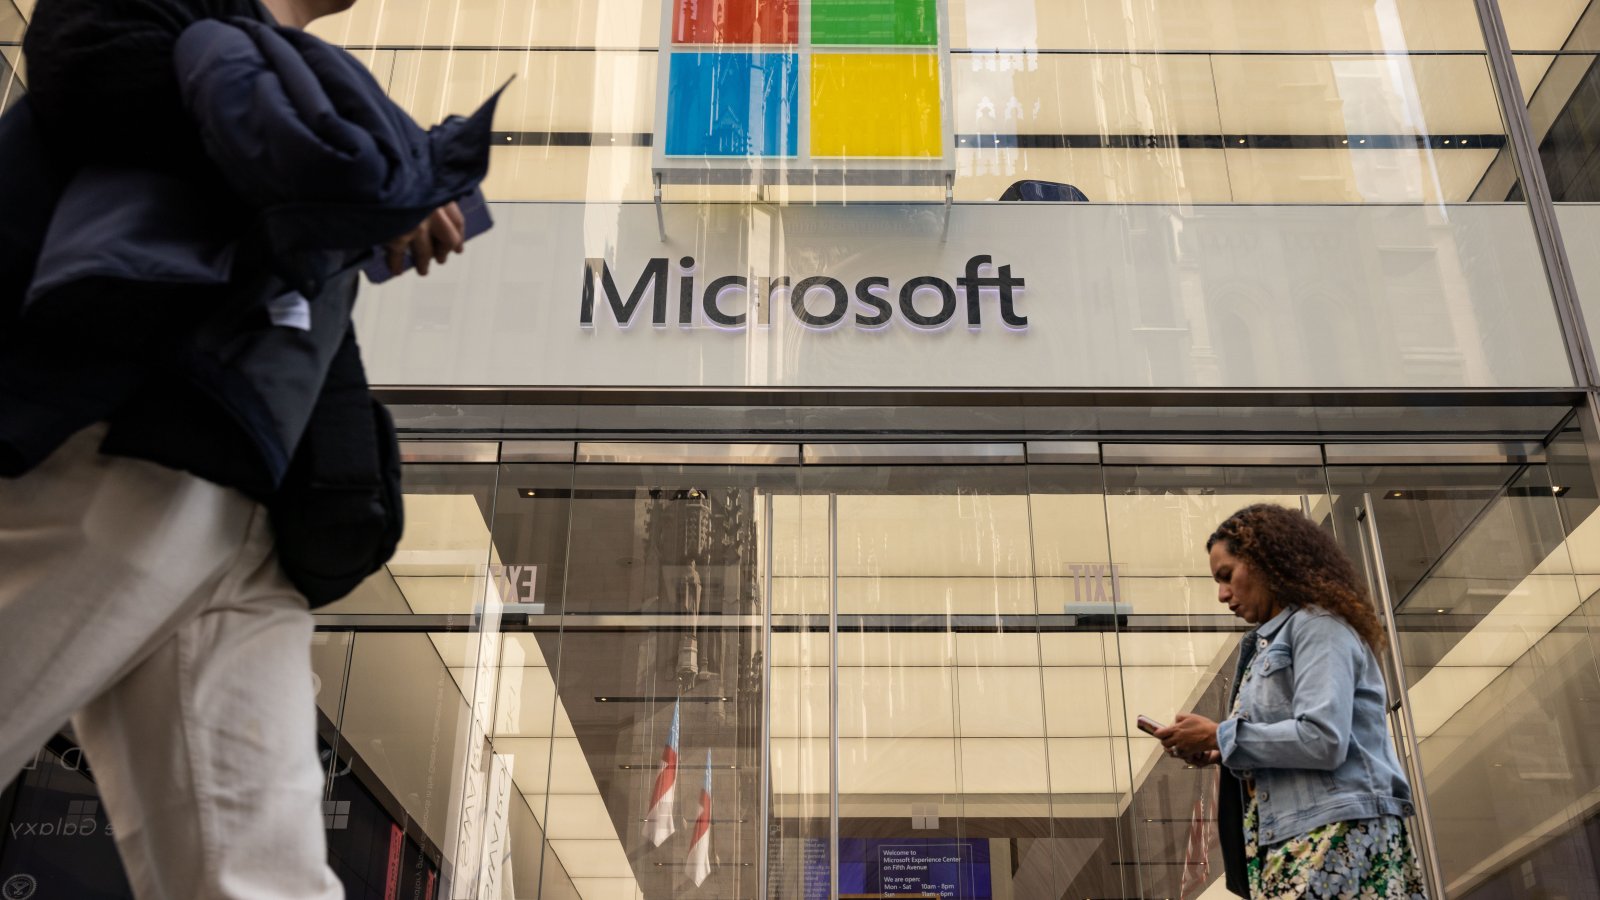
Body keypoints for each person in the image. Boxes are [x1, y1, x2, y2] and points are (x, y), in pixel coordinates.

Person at [0, 0, 497, 895]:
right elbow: (90, 65)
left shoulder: (287, 77)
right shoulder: (178, 31)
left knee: (264, 878)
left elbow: (297, 321)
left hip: (240, 509)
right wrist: (357, 181)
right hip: (111, 444)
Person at [1155, 504, 1428, 900]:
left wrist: (1220, 735)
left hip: (1335, 830)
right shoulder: (1272, 643)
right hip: (1296, 836)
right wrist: (1220, 751)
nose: (1222, 595)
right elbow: (1295, 739)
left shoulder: (1318, 627)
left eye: (1227, 576)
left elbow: (1322, 739)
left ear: (1265, 561)